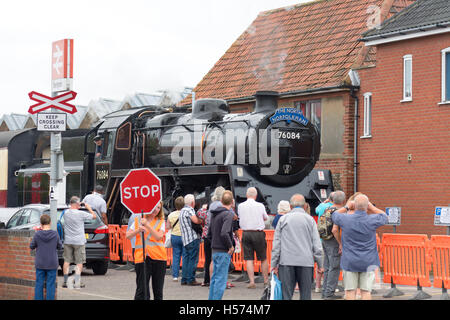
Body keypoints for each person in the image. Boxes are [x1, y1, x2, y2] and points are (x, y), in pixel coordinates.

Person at [332, 194, 388, 300]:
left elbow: (334, 215)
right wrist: (371, 207)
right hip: (368, 260)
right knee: (366, 292)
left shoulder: (345, 219)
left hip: (350, 260)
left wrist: (347, 206)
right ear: (367, 206)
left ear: (354, 205)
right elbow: (385, 217)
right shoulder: (372, 220)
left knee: (350, 291)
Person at [271, 194, 324, 300]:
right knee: (305, 295)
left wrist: (274, 264)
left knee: (286, 295)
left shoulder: (283, 220)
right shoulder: (310, 220)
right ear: (305, 206)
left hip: (286, 262)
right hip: (306, 262)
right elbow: (317, 245)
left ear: (290, 206)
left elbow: (276, 244)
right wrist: (320, 264)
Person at [126, 201, 167, 300]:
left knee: (158, 290)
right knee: (142, 290)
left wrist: (147, 226)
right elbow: (128, 236)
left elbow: (158, 237)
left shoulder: (161, 221)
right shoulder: (138, 220)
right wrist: (138, 230)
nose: (155, 210)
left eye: (158, 208)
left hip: (159, 258)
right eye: (154, 207)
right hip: (142, 258)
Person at [62, 196, 97, 289]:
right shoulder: (81, 214)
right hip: (79, 242)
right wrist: (88, 207)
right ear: (77, 204)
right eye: (79, 204)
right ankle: (77, 282)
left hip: (68, 241)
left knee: (67, 261)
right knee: (79, 262)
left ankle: (65, 281)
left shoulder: (66, 213)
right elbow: (94, 216)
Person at [237, 187, 269, 288]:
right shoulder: (260, 206)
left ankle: (252, 282)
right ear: (255, 196)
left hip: (246, 233)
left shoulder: (241, 206)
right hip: (258, 233)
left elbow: (239, 217)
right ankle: (265, 281)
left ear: (247, 195)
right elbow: (265, 217)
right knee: (263, 258)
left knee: (249, 258)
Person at [208, 190, 235, 300]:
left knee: (214, 279)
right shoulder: (228, 214)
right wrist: (230, 246)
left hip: (214, 250)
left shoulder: (214, 214)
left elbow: (209, 234)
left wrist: (215, 243)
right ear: (232, 202)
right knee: (221, 280)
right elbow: (224, 232)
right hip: (223, 251)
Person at [30, 214, 62, 300]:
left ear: (41, 223)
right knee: (51, 284)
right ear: (50, 222)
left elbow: (31, 246)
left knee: (39, 284)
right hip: (52, 262)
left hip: (40, 262)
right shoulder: (55, 234)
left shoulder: (37, 234)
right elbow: (60, 246)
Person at [321, 190, 346, 300]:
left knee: (327, 266)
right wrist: (340, 243)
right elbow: (335, 230)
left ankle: (325, 291)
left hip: (325, 239)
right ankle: (329, 293)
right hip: (333, 241)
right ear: (343, 200)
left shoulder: (327, 209)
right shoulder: (339, 211)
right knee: (334, 267)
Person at [199, 186, 225, 287]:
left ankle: (207, 280)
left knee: (208, 259)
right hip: (215, 235)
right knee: (216, 259)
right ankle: (215, 280)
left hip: (207, 235)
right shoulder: (220, 205)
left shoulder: (212, 204)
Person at [179, 194, 203, 286]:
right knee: (193, 259)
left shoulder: (182, 211)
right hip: (192, 238)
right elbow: (196, 221)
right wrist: (202, 220)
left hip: (185, 239)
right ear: (192, 202)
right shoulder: (189, 210)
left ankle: (184, 279)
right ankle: (191, 279)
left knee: (186, 259)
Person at [166, 196, 185, 281]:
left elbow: (168, 227)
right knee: (185, 256)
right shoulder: (185, 214)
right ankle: (184, 275)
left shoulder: (171, 215)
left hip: (174, 237)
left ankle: (175, 276)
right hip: (185, 237)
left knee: (176, 256)